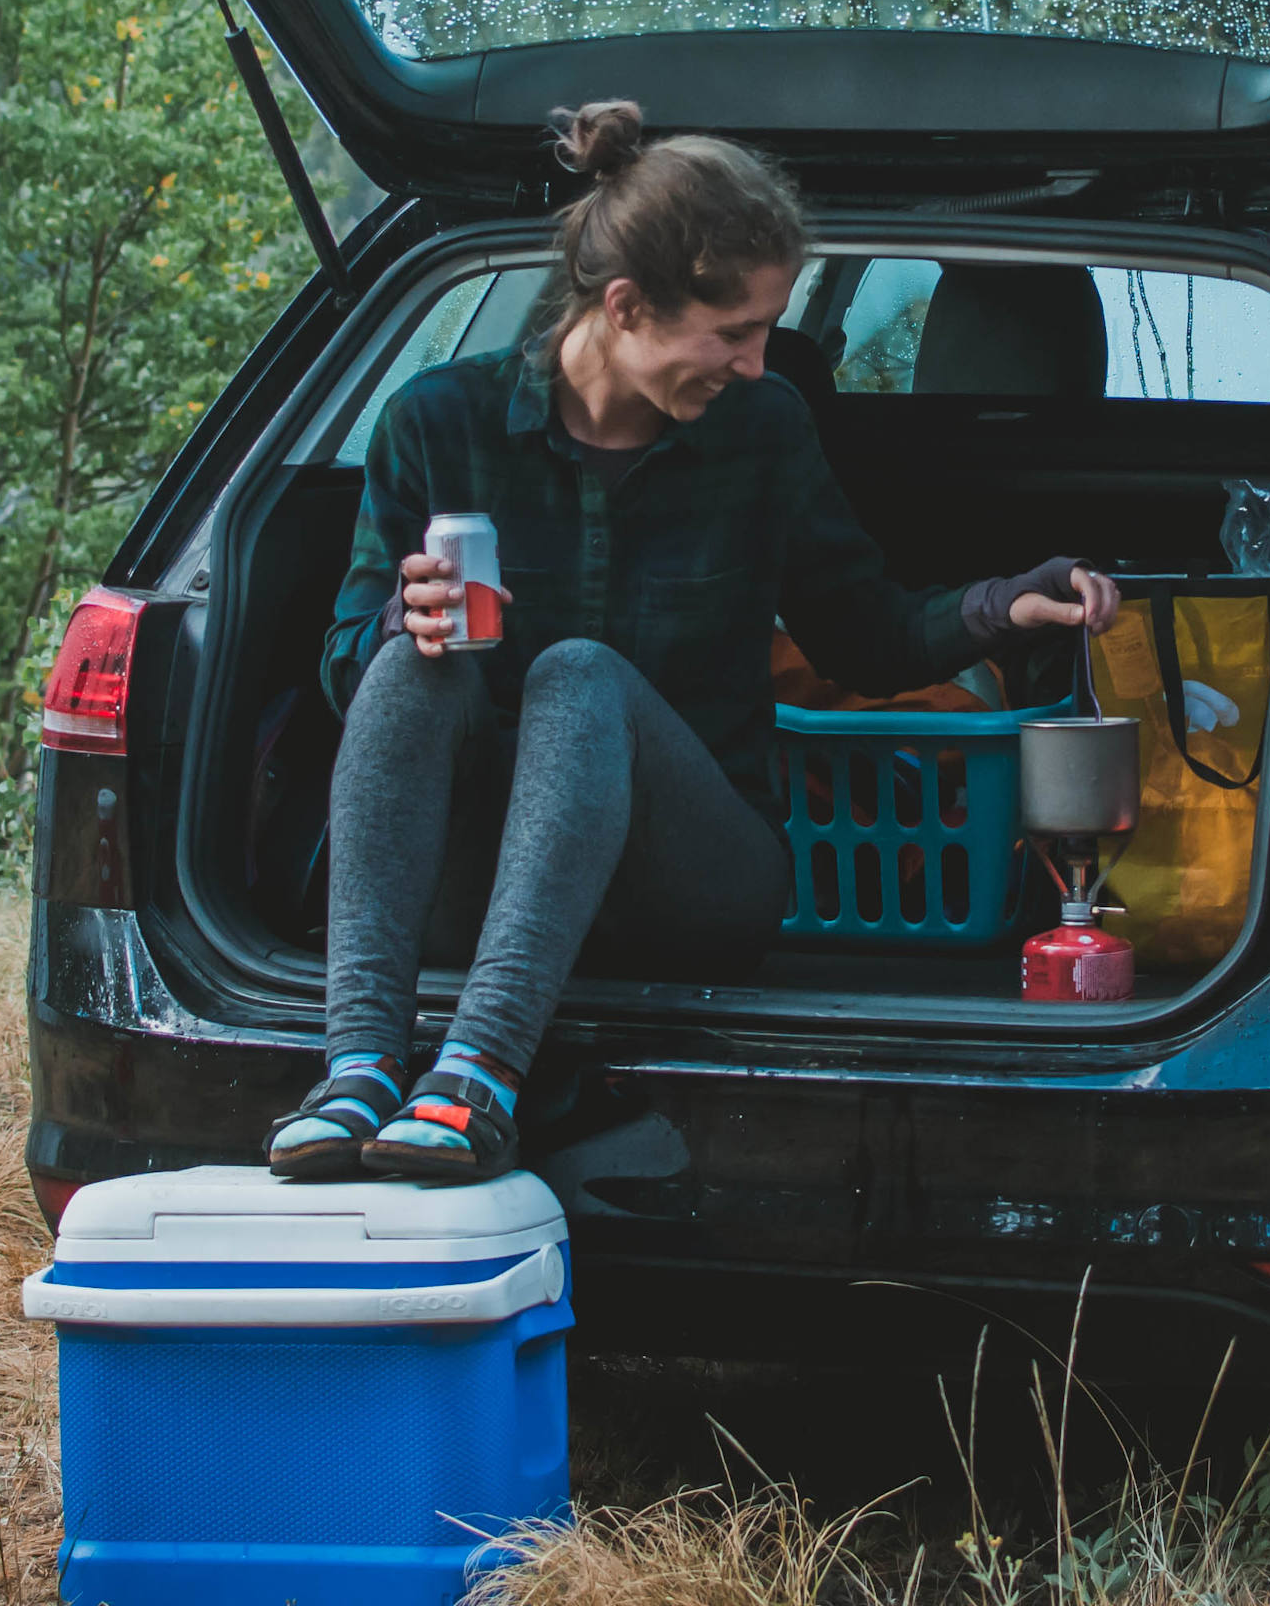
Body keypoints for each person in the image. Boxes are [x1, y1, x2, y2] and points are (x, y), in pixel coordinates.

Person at [270, 101, 1120, 1185]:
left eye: (768, 329)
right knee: (410, 662)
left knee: (578, 676)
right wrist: (405, 620)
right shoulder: (435, 424)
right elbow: (347, 671)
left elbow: (864, 636)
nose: (759, 363)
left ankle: (478, 1072)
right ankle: (356, 1067)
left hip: (691, 884)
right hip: (478, 888)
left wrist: (1005, 604)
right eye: (735, 332)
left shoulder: (763, 433)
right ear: (626, 306)